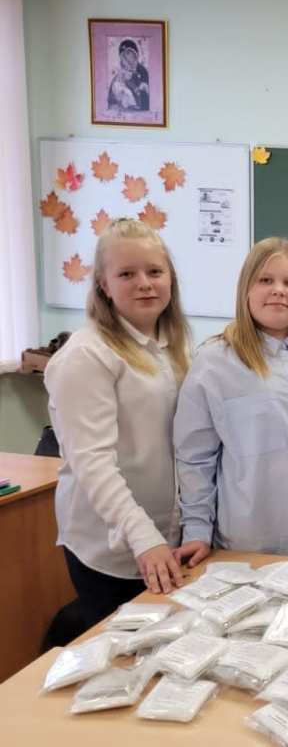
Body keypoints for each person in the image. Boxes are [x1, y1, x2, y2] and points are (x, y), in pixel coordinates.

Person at [172, 237, 288, 567]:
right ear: (246, 289)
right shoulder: (215, 362)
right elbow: (195, 458)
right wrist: (196, 530)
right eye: (265, 280)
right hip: (251, 544)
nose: (279, 291)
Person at [45, 218, 191, 628]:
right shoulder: (86, 356)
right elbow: (92, 463)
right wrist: (144, 539)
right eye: (127, 274)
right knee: (125, 650)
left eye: (155, 271)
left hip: (169, 536)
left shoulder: (173, 345)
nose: (144, 283)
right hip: (114, 548)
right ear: (104, 285)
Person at [107, 39, 150, 112]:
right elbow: (111, 102)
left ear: (136, 55)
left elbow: (147, 98)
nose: (126, 58)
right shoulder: (119, 76)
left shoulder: (143, 72)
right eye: (123, 56)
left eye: (128, 53)